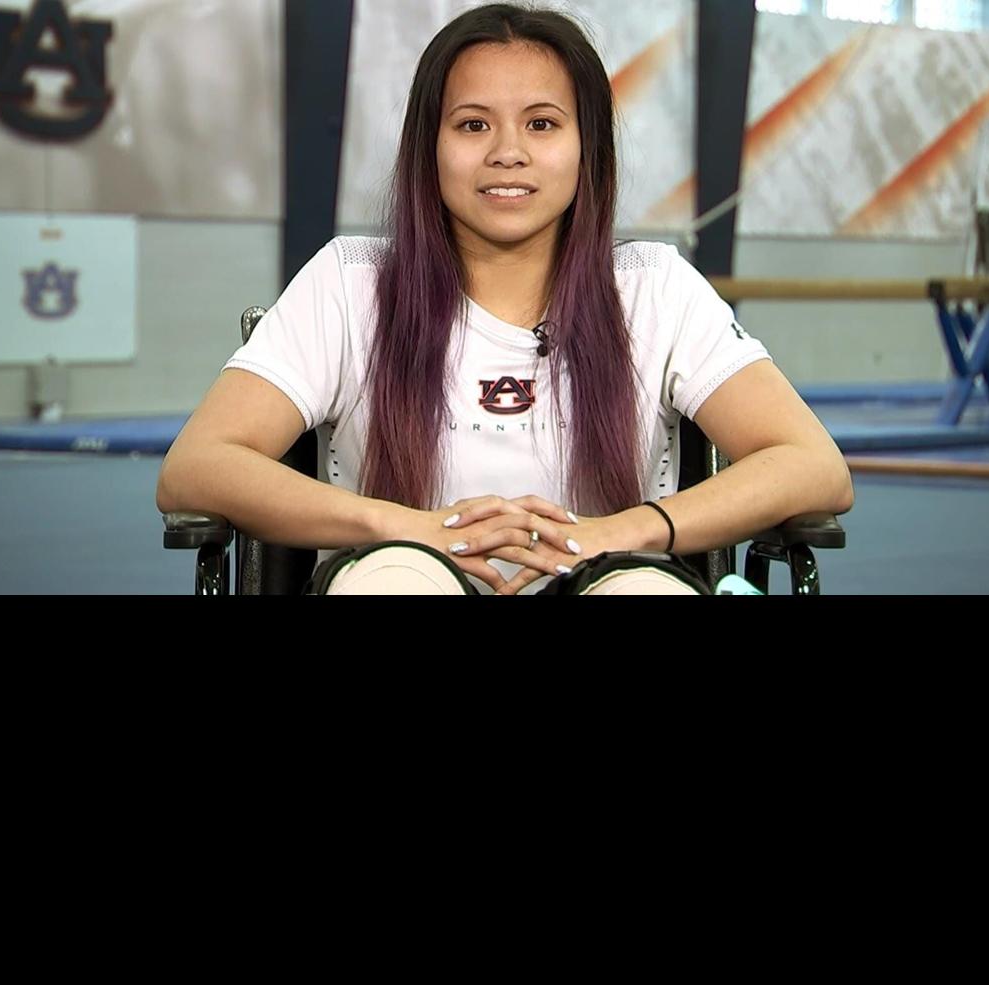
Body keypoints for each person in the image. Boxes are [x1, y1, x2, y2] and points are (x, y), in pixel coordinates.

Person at [156, 3, 852, 594]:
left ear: (588, 151)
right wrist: (410, 528)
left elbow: (814, 466)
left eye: (543, 124)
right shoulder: (349, 283)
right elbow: (196, 468)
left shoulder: (656, 288)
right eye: (473, 125)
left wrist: (620, 532)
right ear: (429, 147)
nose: (508, 153)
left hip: (606, 572)